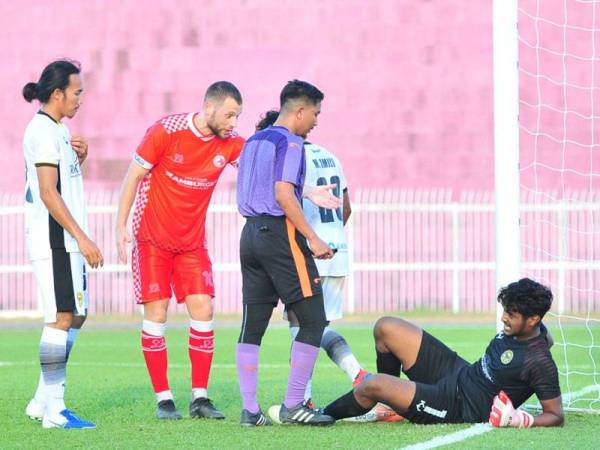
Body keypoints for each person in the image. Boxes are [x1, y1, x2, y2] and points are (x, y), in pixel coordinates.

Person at [115, 81, 244, 420]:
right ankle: (164, 399)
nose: (234, 123)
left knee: (203, 310)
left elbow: (261, 168)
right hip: (152, 239)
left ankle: (200, 398)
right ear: (210, 107)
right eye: (230, 115)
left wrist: (307, 192)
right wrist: (120, 227)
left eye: (238, 117)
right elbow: (132, 176)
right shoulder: (166, 131)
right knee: (156, 315)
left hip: (191, 244)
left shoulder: (230, 144)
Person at [323, 278, 564, 428]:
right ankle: (390, 407)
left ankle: (321, 415)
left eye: (511, 314)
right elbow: (546, 336)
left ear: (532, 319)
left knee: (373, 385)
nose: (503, 317)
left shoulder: (539, 362)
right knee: (386, 327)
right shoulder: (535, 329)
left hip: (459, 406)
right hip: (460, 372)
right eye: (505, 310)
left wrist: (518, 419)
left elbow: (555, 415)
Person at [235, 80, 337, 427]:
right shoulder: (292, 142)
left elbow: (266, 185)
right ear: (300, 111)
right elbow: (281, 192)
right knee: (312, 318)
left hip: (249, 235)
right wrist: (313, 238)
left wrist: (306, 192)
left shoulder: (253, 141)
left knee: (253, 324)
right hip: (280, 236)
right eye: (316, 114)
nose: (316, 122)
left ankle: (250, 411)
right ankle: (294, 404)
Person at [255, 110, 369, 405]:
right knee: (318, 326)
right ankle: (357, 374)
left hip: (308, 252)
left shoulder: (290, 159)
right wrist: (329, 240)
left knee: (301, 326)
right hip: (336, 253)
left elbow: (285, 199)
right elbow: (346, 208)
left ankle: (301, 399)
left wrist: (312, 240)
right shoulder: (329, 155)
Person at [22, 59, 103, 429]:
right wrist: (81, 237)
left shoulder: (57, 131)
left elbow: (61, 183)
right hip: (56, 241)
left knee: (76, 316)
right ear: (57, 93)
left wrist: (78, 159)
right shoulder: (41, 130)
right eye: (77, 92)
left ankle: (42, 401)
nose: (81, 99)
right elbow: (47, 192)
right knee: (61, 318)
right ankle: (55, 410)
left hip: (66, 242)